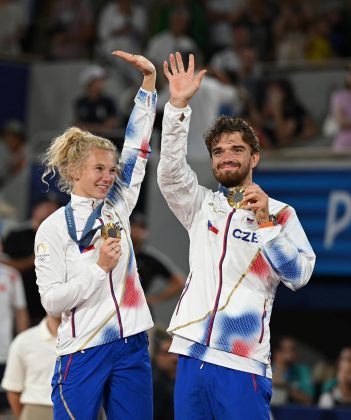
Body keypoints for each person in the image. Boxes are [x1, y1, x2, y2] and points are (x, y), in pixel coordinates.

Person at [157, 52, 316, 419]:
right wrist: (178, 106)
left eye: (236, 150)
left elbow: (298, 276)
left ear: (254, 158)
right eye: (218, 152)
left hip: (242, 363)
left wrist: (265, 224)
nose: (226, 157)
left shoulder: (280, 213)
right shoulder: (201, 206)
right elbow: (169, 173)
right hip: (190, 353)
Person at [34, 51, 157, 420]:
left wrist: (148, 86)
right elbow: (52, 302)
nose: (108, 176)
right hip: (83, 348)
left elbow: (138, 146)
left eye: (112, 169)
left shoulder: (117, 205)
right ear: (73, 171)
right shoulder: (53, 228)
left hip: (132, 342)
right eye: (99, 168)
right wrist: (98, 268)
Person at [2, 196, 60, 326]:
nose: (51, 212)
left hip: (51, 307)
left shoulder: (59, 237)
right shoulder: (16, 235)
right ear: (35, 210)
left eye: (54, 209)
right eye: (46, 207)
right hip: (22, 303)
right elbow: (5, 265)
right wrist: (33, 260)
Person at [1, 315, 60, 420]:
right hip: (35, 410)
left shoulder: (89, 341)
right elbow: (13, 390)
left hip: (77, 410)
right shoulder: (23, 341)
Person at [130, 212, 184, 315]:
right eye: (133, 226)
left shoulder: (150, 259)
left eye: (140, 227)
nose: (136, 231)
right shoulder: (117, 253)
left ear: (146, 232)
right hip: (115, 311)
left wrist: (154, 299)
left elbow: (179, 282)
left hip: (140, 313)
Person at [0, 239, 29, 413]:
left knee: (5, 406)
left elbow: (20, 312)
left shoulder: (11, 275)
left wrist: (24, 345)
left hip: (4, 351)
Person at [271, 336, 314, 405]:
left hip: (295, 411)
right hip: (273, 411)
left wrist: (286, 388)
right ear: (277, 353)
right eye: (285, 350)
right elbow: (275, 383)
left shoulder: (302, 371)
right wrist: (280, 364)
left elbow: (308, 399)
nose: (288, 353)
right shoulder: (268, 369)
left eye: (292, 349)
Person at [152, 329, 178, 420]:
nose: (174, 358)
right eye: (168, 353)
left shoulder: (187, 382)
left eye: (176, 353)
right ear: (157, 356)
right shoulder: (152, 385)